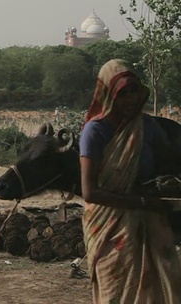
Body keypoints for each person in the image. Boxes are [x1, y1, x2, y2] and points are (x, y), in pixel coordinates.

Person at [79, 59, 181, 303]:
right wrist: (143, 202)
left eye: (134, 91)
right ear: (109, 95)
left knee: (162, 286)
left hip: (151, 221)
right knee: (115, 292)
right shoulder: (95, 131)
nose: (131, 99)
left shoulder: (147, 127)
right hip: (110, 226)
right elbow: (90, 192)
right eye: (122, 93)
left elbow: (172, 160)